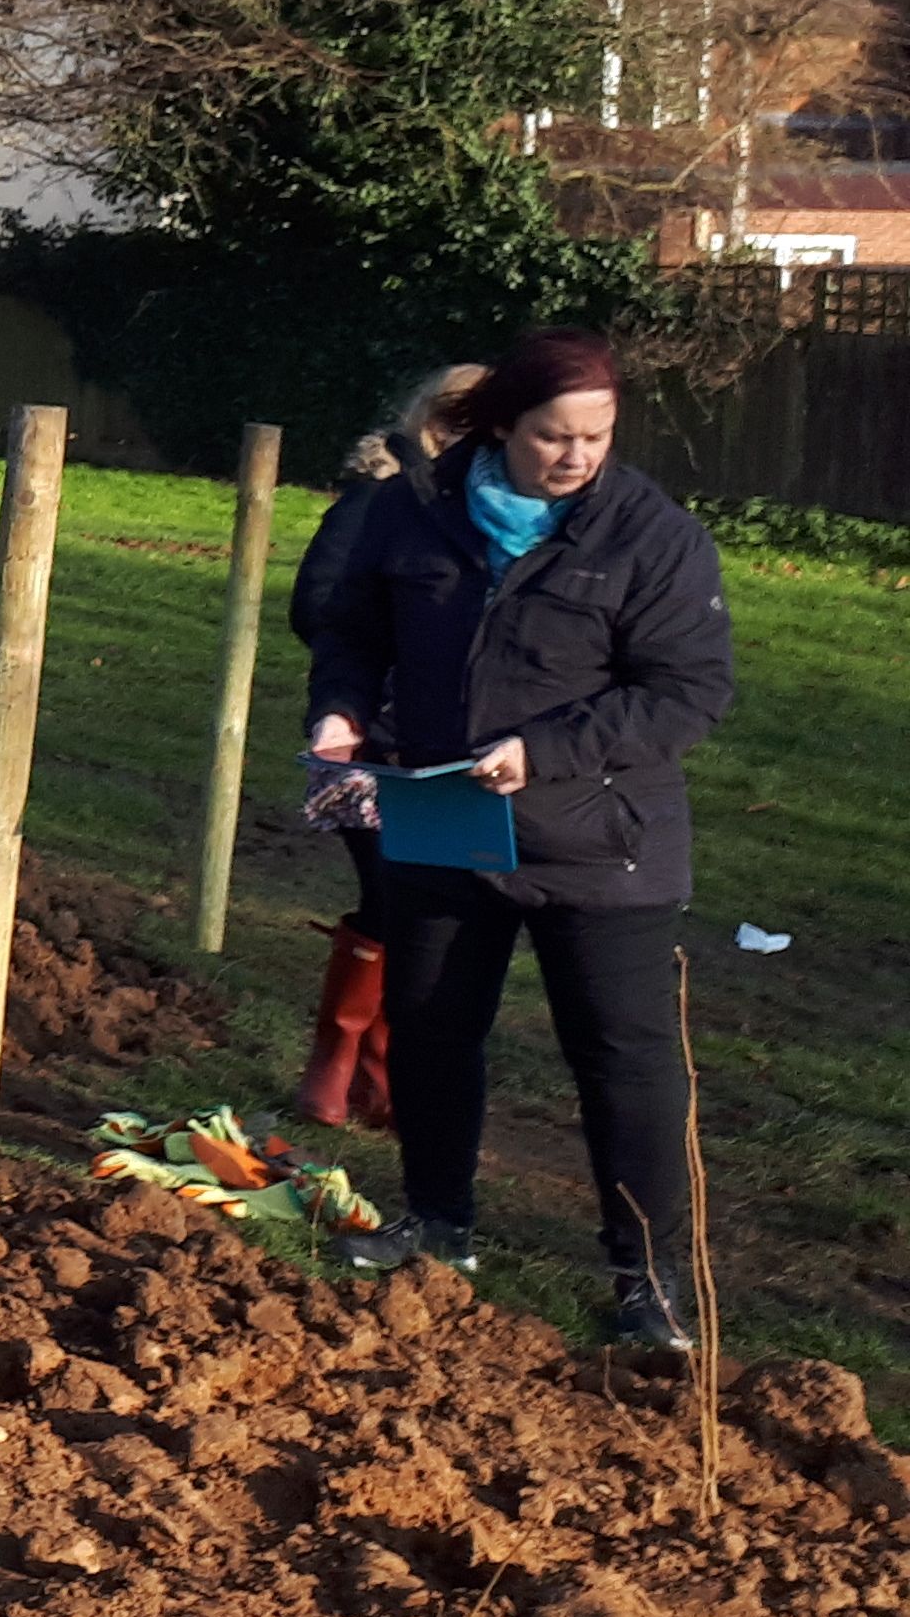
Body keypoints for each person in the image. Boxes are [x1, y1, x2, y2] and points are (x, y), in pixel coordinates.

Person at [302, 328, 735, 1352]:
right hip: (444, 814)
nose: (579, 456)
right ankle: (437, 1225)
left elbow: (688, 692)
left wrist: (547, 751)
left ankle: (649, 1284)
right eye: (554, 436)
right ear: (501, 426)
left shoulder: (654, 538)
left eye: (599, 435)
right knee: (434, 1025)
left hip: (603, 838)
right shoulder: (412, 512)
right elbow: (350, 630)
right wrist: (341, 710)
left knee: (623, 1061)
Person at [284, 362, 485, 1129]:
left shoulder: (482, 511)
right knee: (393, 892)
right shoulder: (380, 499)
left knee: (427, 899)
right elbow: (320, 605)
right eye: (463, 420)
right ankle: (344, 1067)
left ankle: (373, 1073)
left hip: (452, 744)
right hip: (377, 736)